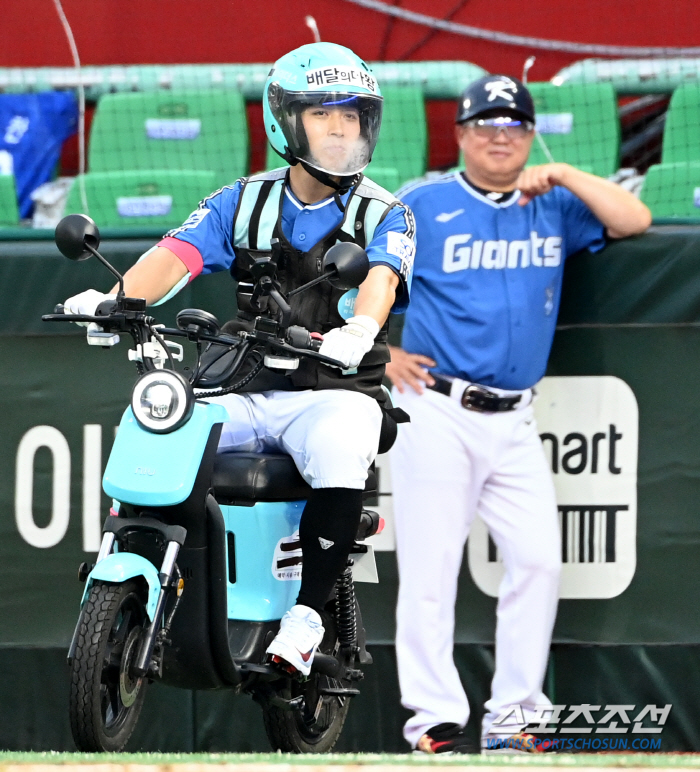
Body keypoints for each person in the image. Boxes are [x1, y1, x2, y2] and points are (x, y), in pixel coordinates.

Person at [63, 42, 415, 677]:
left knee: (341, 442)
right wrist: (113, 300)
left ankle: (306, 618)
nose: (341, 130)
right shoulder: (240, 200)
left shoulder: (387, 212)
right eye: (323, 115)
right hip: (246, 383)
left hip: (336, 389)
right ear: (285, 121)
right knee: (158, 427)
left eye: (352, 117)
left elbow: (382, 278)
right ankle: (140, 571)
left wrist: (361, 329)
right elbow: (176, 256)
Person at [386, 74, 651, 754]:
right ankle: (434, 720)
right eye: (486, 124)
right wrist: (381, 353)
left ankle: (514, 718)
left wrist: (561, 172)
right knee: (430, 570)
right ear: (461, 135)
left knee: (538, 561)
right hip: (436, 406)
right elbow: (354, 275)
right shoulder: (424, 202)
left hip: (515, 417)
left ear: (530, 136)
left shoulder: (554, 203)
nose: (499, 136)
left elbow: (635, 221)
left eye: (513, 125)